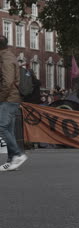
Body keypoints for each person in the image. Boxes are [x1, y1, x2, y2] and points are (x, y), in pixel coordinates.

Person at [0, 36, 28, 171]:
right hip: (12, 98)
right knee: (9, 129)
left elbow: (7, 82)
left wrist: (1, 97)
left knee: (2, 127)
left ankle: (17, 155)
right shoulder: (9, 56)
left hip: (8, 98)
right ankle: (12, 161)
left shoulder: (5, 59)